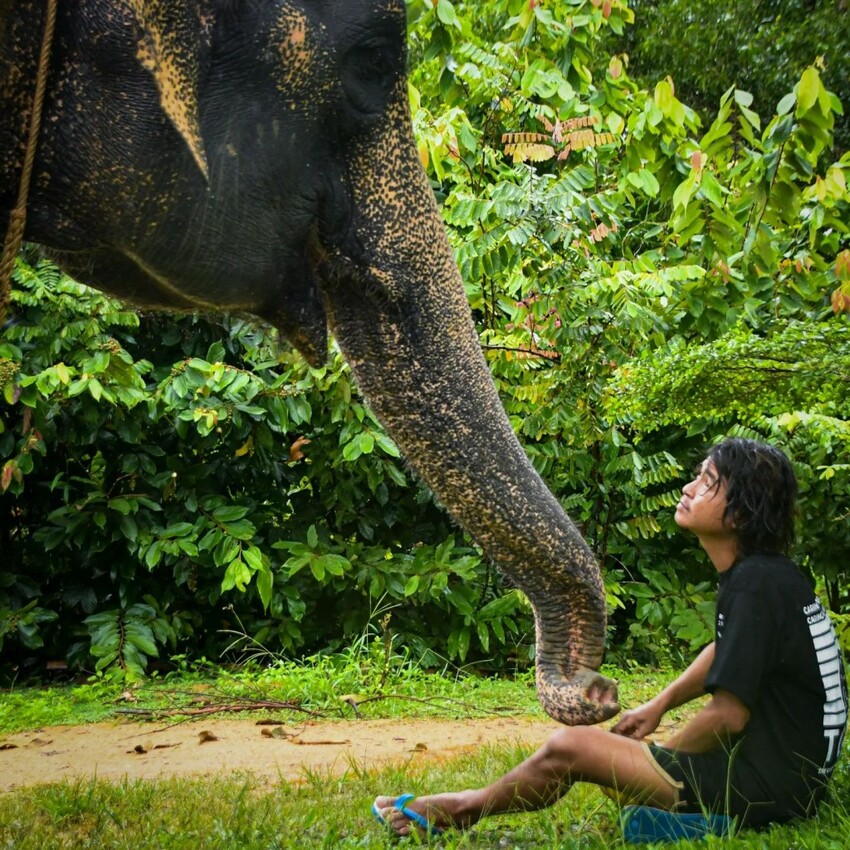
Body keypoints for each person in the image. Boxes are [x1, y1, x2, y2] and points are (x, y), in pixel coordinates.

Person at [372, 438, 848, 836]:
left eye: (708, 482)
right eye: (697, 476)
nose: (688, 488)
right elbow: (726, 650)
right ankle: (670, 819)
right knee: (615, 774)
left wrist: (659, 758)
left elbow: (728, 714)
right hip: (793, 783)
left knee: (572, 748)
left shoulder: (753, 585)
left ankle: (460, 810)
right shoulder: (772, 576)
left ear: (739, 515)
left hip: (763, 791)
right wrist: (658, 705)